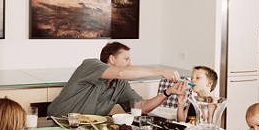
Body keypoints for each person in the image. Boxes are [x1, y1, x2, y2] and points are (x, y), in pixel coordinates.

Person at [47, 41, 186, 117]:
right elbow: (120, 72)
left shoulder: (120, 85)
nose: (129, 64)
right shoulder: (90, 65)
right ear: (111, 59)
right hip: (57, 123)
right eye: (126, 59)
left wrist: (167, 92)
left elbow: (142, 108)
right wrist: (161, 71)